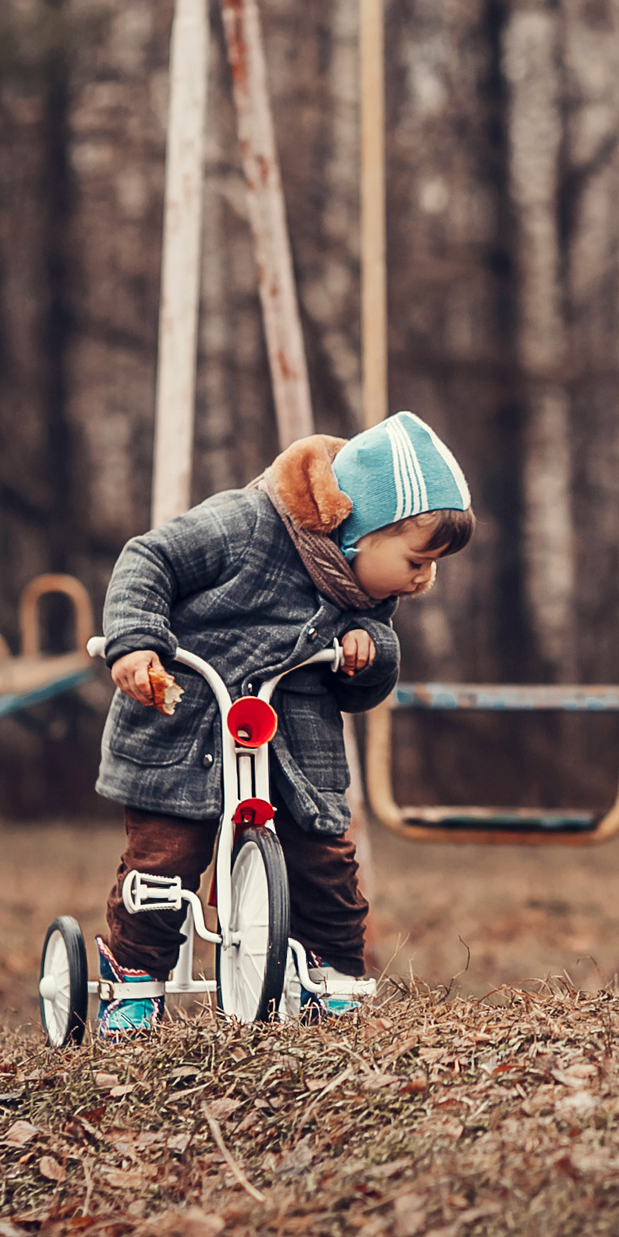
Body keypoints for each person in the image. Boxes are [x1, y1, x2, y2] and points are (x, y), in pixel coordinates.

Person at [91, 412, 474, 1033]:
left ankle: (333, 975)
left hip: (295, 750)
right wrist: (136, 644)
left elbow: (362, 688)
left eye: (435, 564)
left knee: (326, 865)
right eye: (417, 558)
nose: (425, 576)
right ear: (362, 532)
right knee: (165, 860)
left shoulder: (369, 594)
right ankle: (135, 976)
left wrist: (369, 651)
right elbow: (148, 558)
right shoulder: (245, 523)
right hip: (185, 725)